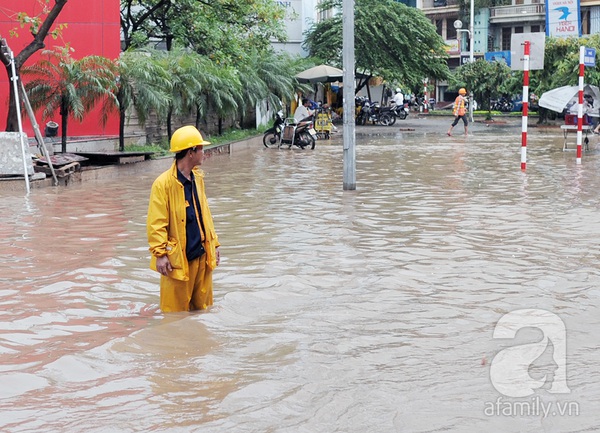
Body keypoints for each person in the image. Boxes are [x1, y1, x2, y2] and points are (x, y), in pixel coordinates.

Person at [147, 125, 220, 313]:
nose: (204, 152)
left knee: (202, 312)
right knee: (174, 316)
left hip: (202, 256)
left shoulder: (198, 178)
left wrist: (215, 245)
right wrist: (160, 255)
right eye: (201, 148)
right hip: (178, 262)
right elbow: (156, 223)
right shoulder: (163, 184)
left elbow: (205, 214)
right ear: (191, 152)